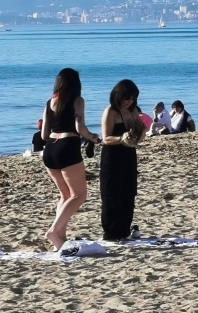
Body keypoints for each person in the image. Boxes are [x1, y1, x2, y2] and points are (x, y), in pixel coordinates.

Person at [41, 68, 99, 250]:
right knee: (79, 195)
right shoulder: (77, 100)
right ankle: (53, 231)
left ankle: (60, 239)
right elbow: (80, 127)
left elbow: (43, 134)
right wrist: (93, 137)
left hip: (50, 149)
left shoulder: (50, 102)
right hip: (67, 147)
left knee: (65, 195)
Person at [100, 79, 145, 241]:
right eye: (127, 98)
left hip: (129, 155)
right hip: (112, 156)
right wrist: (121, 139)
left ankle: (125, 229)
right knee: (112, 192)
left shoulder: (134, 111)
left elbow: (138, 137)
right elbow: (105, 138)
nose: (129, 102)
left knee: (129, 191)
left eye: (133, 98)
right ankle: (111, 231)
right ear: (119, 95)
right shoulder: (110, 111)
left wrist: (141, 131)